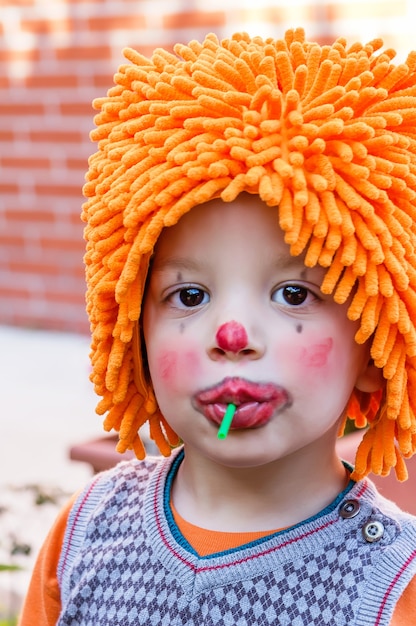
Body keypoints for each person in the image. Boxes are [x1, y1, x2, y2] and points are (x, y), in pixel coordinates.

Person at [18, 28, 416, 625]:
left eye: (293, 293)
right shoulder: (83, 533)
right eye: (190, 294)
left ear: (376, 336)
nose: (232, 336)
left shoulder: (397, 585)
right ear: (131, 328)